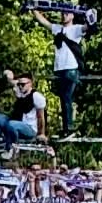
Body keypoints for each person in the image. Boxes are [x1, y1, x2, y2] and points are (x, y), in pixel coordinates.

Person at [32, 7, 87, 137]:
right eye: (62, 13)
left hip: (70, 68)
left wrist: (90, 16)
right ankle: (66, 128)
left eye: (66, 13)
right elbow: (44, 22)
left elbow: (88, 27)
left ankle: (69, 127)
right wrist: (34, 10)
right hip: (59, 69)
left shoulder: (76, 29)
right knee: (63, 99)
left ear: (72, 16)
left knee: (67, 97)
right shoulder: (58, 28)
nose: (63, 15)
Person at [0, 72, 47, 152]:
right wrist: (8, 73)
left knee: (12, 124)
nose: (20, 86)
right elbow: (10, 79)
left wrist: (41, 134)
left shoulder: (36, 96)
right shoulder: (20, 90)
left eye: (22, 84)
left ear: (30, 83)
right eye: (19, 84)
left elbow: (41, 117)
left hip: (29, 128)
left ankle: (11, 148)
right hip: (15, 122)